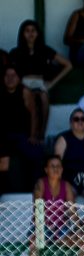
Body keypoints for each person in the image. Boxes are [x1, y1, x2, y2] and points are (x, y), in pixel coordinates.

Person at [28, 155, 84, 256]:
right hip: (42, 228)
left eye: (58, 166)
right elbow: (37, 209)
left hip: (61, 230)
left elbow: (72, 211)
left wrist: (80, 225)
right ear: (46, 169)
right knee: (33, 241)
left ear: (62, 169)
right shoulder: (41, 184)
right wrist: (45, 229)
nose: (56, 169)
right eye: (52, 166)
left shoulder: (66, 186)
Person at [10, 20, 72, 136]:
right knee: (30, 99)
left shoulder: (45, 50)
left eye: (33, 31)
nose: (30, 34)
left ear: (38, 33)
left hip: (40, 83)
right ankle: (31, 134)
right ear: (22, 34)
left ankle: (41, 134)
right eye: (27, 31)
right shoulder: (16, 52)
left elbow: (68, 65)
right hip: (24, 84)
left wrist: (52, 83)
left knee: (44, 96)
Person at [0, 65, 42, 193]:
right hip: (3, 136)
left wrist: (33, 135)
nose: (10, 78)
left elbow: (34, 114)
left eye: (13, 75)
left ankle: (36, 192)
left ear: (19, 78)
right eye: (7, 75)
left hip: (21, 135)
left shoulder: (25, 92)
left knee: (36, 154)